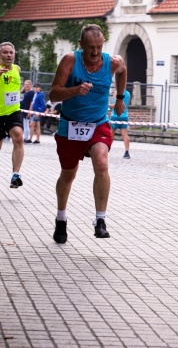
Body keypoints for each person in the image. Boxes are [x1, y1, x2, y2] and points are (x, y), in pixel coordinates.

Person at [49, 24, 127, 244]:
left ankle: (100, 220)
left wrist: (120, 98)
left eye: (99, 47)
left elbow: (122, 70)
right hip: (70, 125)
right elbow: (53, 93)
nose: (95, 52)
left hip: (98, 124)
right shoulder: (70, 61)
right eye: (91, 47)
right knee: (68, 175)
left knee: (101, 162)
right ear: (81, 44)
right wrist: (75, 90)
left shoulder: (112, 62)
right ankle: (61, 218)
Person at [0, 41, 24, 188]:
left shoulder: (17, 69)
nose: (9, 55)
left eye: (11, 52)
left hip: (13, 111)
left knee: (19, 137)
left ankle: (16, 175)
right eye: (5, 52)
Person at [109, 88, 131, 158]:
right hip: (124, 116)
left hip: (115, 116)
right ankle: (127, 152)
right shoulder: (128, 94)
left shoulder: (116, 92)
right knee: (125, 134)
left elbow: (114, 105)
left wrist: (110, 105)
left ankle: (107, 150)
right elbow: (125, 105)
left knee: (111, 134)